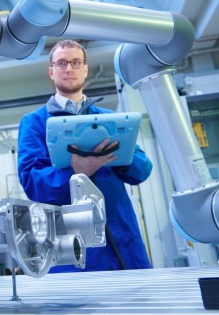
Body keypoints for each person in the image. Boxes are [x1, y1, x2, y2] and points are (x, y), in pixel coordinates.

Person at [17, 39, 153, 272]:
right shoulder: (34, 123)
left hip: (121, 241)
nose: (69, 68)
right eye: (61, 63)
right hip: (70, 246)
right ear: (51, 72)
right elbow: (32, 181)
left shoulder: (110, 119)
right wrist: (75, 172)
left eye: (76, 62)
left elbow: (143, 169)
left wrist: (118, 157)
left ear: (85, 69)